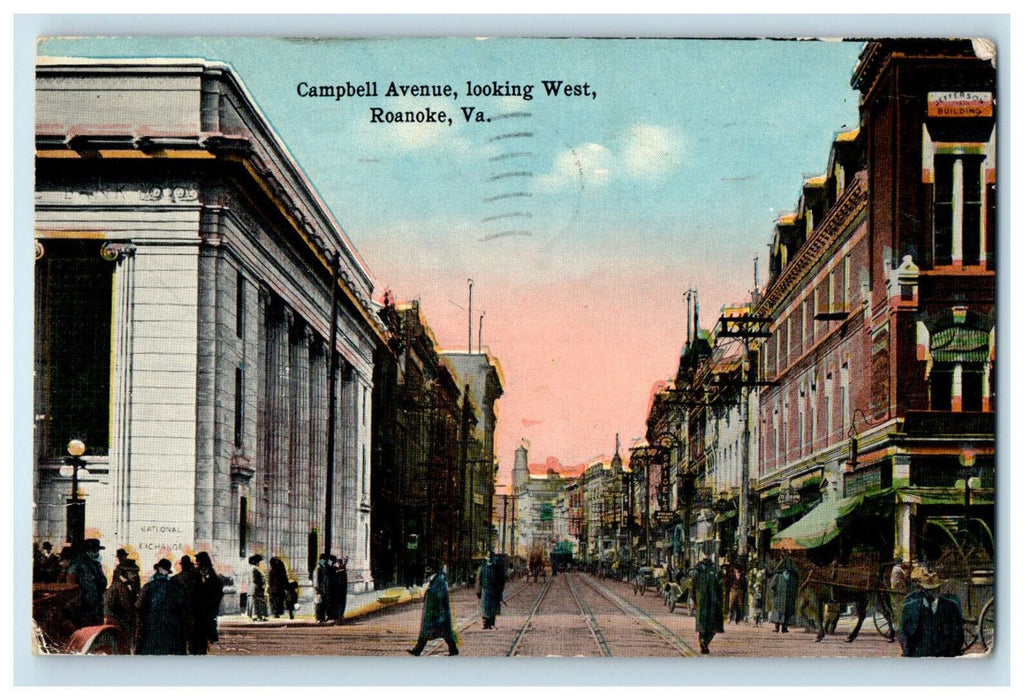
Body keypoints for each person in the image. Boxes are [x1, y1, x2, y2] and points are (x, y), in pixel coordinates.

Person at [898, 569, 965, 657]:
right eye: (927, 590)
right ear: (921, 590)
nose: (930, 593)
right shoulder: (910, 609)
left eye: (933, 590)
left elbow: (958, 636)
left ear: (939, 589)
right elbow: (904, 636)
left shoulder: (951, 608)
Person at [136, 558, 187, 655]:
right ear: (167, 572)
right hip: (171, 631)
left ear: (158, 569)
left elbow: (139, 606)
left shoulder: (149, 586)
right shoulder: (176, 587)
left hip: (152, 629)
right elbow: (182, 608)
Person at [408, 559, 459, 656]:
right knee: (434, 632)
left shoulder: (439, 581)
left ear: (433, 569)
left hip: (438, 613)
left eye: (428, 568)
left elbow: (440, 596)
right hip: (434, 613)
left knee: (442, 633)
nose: (426, 571)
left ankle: (453, 650)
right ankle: (417, 650)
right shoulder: (435, 579)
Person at [104, 548, 141, 652]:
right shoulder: (116, 587)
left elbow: (136, 591)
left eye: (136, 573)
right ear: (125, 573)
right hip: (120, 623)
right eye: (132, 573)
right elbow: (110, 607)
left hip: (128, 621)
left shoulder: (130, 582)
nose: (135, 575)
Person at [66, 538, 108, 627]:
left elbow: (103, 583)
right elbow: (70, 585)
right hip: (84, 608)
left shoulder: (96, 565)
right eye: (96, 550)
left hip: (96, 607)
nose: (97, 553)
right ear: (88, 551)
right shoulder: (77, 564)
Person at [174, 555, 207, 654]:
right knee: (193, 637)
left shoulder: (176, 579)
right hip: (194, 611)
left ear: (182, 566)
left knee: (181, 637)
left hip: (180, 612)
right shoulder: (197, 577)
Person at [693, 554, 723, 654]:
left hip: (702, 600)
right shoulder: (715, 569)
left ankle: (703, 641)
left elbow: (693, 586)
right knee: (713, 625)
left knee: (702, 624)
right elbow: (719, 585)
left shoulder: (697, 569)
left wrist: (694, 599)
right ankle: (705, 642)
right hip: (712, 601)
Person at [194, 551, 224, 645]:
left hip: (206, 600)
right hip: (208, 601)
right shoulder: (210, 571)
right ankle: (210, 635)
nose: (197, 563)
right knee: (210, 619)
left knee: (208, 619)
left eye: (198, 561)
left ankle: (209, 635)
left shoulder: (204, 571)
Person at [769, 556, 799, 634]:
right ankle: (777, 627)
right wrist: (773, 596)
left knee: (787, 613)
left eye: (788, 570)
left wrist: (794, 596)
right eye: (786, 570)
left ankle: (784, 627)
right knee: (778, 613)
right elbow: (772, 586)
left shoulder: (792, 578)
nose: (787, 571)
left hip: (789, 599)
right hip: (778, 598)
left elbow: (795, 588)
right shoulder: (778, 576)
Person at [477, 553, 499, 629]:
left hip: (493, 590)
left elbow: (499, 579)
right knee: (485, 607)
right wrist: (478, 591)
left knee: (492, 607)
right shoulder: (482, 567)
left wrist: (499, 591)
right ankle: (485, 624)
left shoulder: (496, 567)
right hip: (485, 589)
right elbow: (478, 579)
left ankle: (491, 623)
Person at [247, 554, 268, 622]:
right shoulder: (254, 569)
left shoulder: (252, 569)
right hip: (256, 587)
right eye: (259, 562)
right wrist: (262, 583)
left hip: (253, 587)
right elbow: (255, 579)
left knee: (255, 602)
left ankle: (257, 615)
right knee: (257, 602)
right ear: (256, 562)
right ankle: (256, 615)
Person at [315, 552, 333, 623]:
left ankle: (323, 617)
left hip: (326, 589)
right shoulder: (318, 569)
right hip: (320, 590)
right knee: (319, 604)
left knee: (324, 604)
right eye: (323, 559)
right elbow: (316, 580)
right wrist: (317, 589)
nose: (324, 561)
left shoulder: (326, 568)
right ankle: (319, 618)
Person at [331, 555, 349, 623]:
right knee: (339, 604)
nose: (338, 564)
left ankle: (340, 615)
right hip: (339, 591)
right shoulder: (338, 570)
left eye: (339, 563)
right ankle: (339, 615)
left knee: (340, 604)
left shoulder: (341, 571)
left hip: (341, 590)